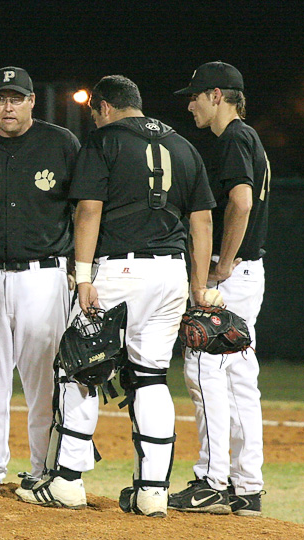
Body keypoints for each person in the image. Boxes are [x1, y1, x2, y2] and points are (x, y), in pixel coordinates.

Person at [21, 75, 217, 518]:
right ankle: (153, 493)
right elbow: (202, 220)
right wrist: (199, 286)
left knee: (82, 369)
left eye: (95, 111)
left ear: (104, 107)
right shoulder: (183, 146)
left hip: (118, 270)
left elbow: (89, 208)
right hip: (171, 271)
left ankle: (68, 481)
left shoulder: (104, 140)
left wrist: (84, 274)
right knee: (150, 377)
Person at [0, 66, 79, 488]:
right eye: (1, 98)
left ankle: (44, 470)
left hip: (43, 278)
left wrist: (79, 269)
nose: (8, 106)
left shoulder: (61, 144)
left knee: (44, 383)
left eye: (16, 98)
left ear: (31, 102)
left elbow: (80, 211)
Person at [170, 62, 268, 516]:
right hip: (250, 274)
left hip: (231, 276)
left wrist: (222, 263)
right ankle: (246, 487)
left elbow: (241, 201)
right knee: (240, 382)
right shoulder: (250, 138)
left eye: (193, 96)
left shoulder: (232, 138)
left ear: (216, 95)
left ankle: (211, 479)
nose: (189, 104)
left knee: (204, 372)